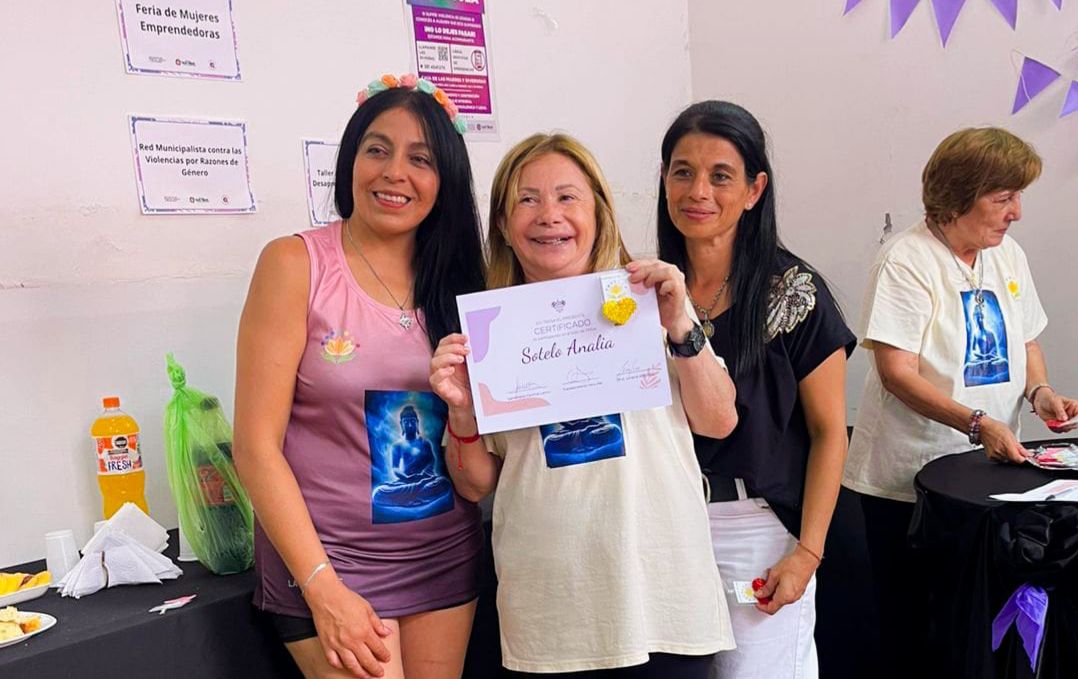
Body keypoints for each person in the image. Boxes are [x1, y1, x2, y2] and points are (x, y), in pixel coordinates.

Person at [429, 133, 739, 678]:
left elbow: (718, 421)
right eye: (527, 200)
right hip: (552, 614)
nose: (549, 215)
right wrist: (461, 413)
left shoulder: (650, 301)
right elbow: (476, 484)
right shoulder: (491, 335)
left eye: (567, 197)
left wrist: (680, 326)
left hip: (665, 604)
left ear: (598, 211)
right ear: (503, 223)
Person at [233, 73, 486, 679]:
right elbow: (255, 447)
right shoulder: (295, 264)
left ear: (445, 180)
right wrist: (323, 588)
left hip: (443, 558)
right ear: (350, 160)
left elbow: (477, 462)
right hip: (328, 565)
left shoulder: (465, 282)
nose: (395, 173)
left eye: (420, 159)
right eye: (377, 150)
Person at [843, 127, 1078, 677]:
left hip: (987, 477)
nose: (1016, 213)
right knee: (915, 630)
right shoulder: (905, 261)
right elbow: (896, 373)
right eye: (1003, 198)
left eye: (1018, 197)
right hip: (907, 484)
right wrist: (977, 423)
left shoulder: (1007, 254)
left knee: (976, 626)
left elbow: (1027, 340)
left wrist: (1040, 392)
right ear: (958, 196)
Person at [655, 100, 855, 678]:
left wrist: (808, 552)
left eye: (721, 176)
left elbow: (829, 432)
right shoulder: (645, 292)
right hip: (666, 522)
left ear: (753, 189)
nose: (698, 191)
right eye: (683, 171)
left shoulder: (794, 292)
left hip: (756, 529)